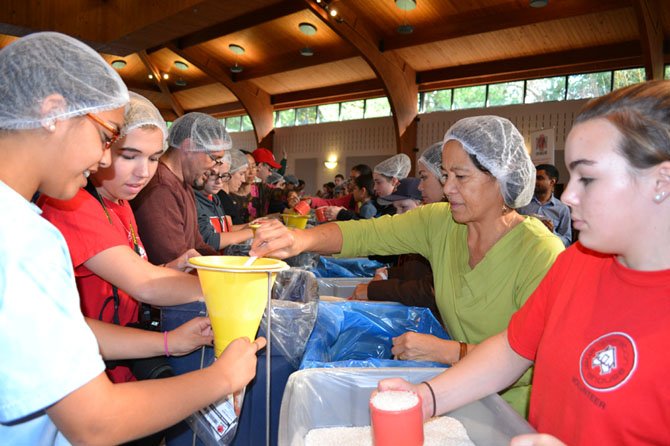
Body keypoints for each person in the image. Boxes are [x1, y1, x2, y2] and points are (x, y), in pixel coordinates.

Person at [0, 31, 263, 445]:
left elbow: (62, 330)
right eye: (108, 137)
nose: (104, 158)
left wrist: (168, 342)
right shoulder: (23, 237)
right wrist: (223, 376)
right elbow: (96, 423)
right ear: (53, 114)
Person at [378, 81, 670, 446]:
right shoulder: (577, 263)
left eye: (588, 177)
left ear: (661, 181)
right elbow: (512, 349)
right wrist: (426, 398)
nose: (569, 195)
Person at [250, 115, 565, 415]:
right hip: (455, 390)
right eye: (445, 175)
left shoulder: (538, 251)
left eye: (461, 176)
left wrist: (447, 351)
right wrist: (300, 240)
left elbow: (536, 361)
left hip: (513, 412)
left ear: (501, 178)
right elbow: (369, 233)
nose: (448, 187)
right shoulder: (442, 222)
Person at [39, 91, 208, 384]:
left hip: (128, 359)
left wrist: (169, 271)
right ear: (101, 148)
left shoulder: (120, 202)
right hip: (95, 374)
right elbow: (145, 286)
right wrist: (227, 285)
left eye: (154, 158)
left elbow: (127, 275)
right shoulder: (72, 204)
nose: (143, 173)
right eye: (129, 156)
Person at [131, 112, 227, 265]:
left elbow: (197, 244)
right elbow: (176, 261)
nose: (215, 169)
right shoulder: (161, 189)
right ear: (189, 147)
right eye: (214, 159)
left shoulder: (184, 184)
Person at [351, 176, 440, 319]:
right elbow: (413, 272)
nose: (398, 215)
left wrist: (374, 290)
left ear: (423, 205)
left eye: (404, 207)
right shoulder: (414, 238)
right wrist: (388, 273)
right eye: (396, 209)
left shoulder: (434, 238)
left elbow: (427, 290)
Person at [194, 164, 253, 251]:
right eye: (213, 174)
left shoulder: (216, 198)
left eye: (223, 176)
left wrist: (253, 226)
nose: (219, 181)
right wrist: (252, 232)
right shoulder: (194, 200)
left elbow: (226, 229)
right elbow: (208, 241)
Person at [518, 163, 573, 247]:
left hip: (548, 254)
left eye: (539, 178)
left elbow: (567, 242)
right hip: (525, 252)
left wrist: (552, 232)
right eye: (534, 178)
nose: (535, 181)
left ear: (552, 182)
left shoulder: (562, 209)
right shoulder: (523, 204)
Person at [218, 148, 249, 225]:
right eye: (241, 174)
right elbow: (231, 229)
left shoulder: (226, 197)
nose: (243, 180)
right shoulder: (221, 197)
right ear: (228, 173)